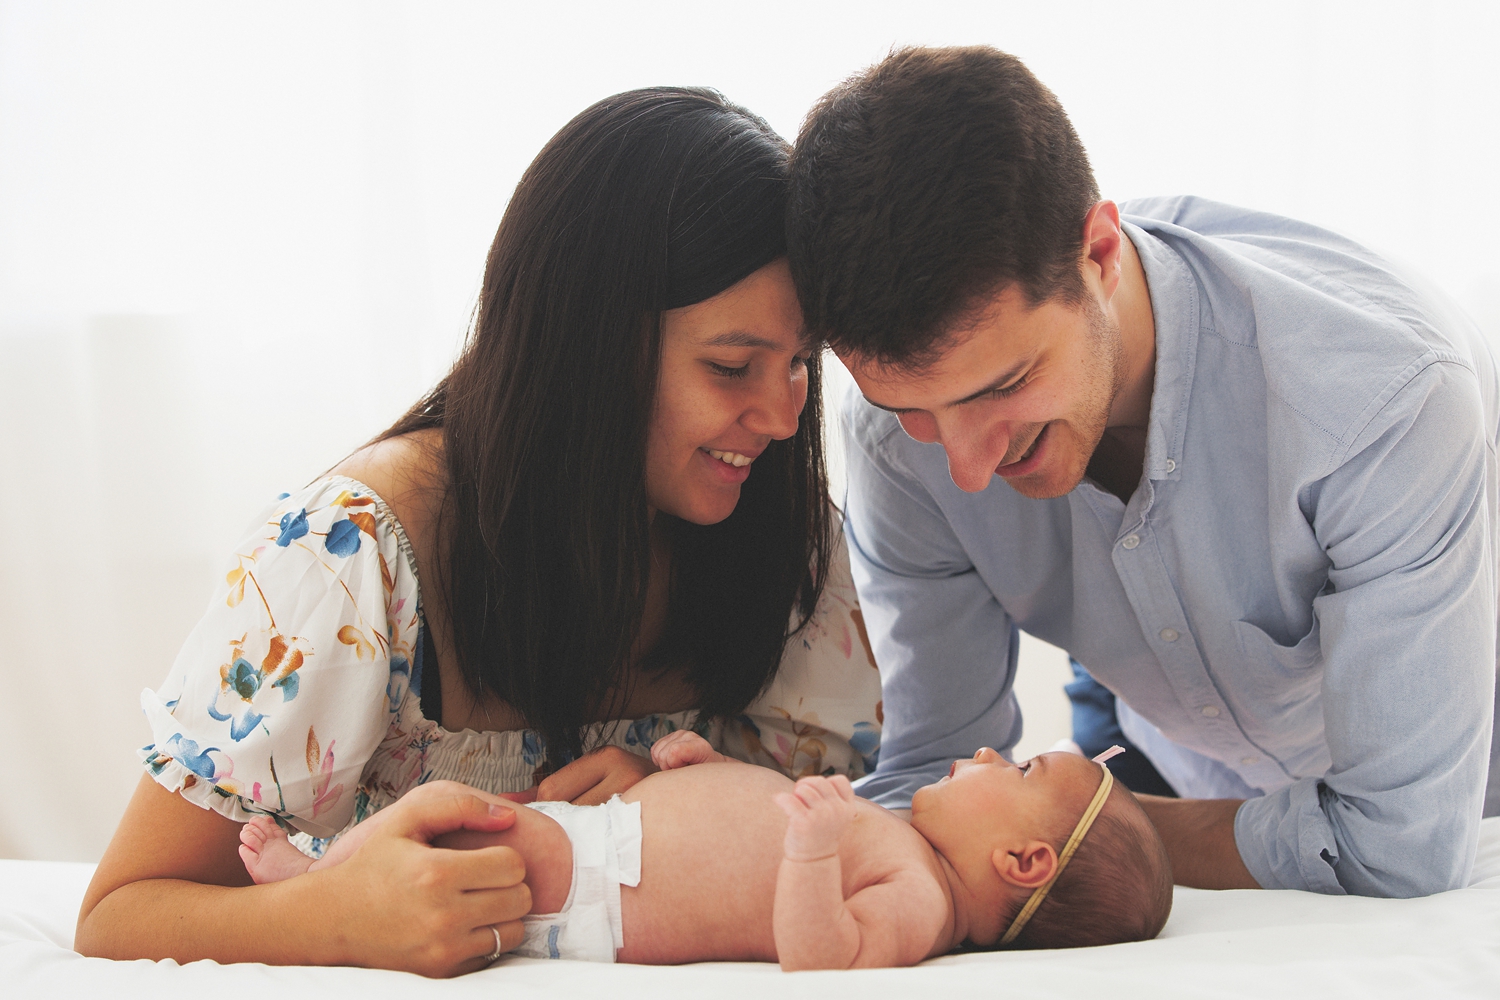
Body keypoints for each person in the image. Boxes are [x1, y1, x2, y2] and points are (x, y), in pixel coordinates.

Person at [74, 87, 883, 977]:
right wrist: (329, 917)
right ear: (592, 344)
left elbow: (868, 819)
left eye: (801, 363)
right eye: (731, 366)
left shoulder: (788, 544)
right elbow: (121, 912)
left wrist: (679, 811)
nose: (779, 416)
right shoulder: (353, 560)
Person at [786, 46, 1500, 898]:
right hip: (1161, 737)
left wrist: (1091, 829)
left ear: (1099, 251)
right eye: (915, 410)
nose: (967, 471)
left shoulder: (1380, 406)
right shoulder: (890, 449)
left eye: (1006, 386)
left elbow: (1402, 849)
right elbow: (929, 783)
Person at [236, 734, 1171, 967]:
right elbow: (747, 820)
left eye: (1013, 767)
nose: (981, 756)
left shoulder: (922, 902)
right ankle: (329, 869)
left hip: (600, 884)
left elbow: (824, 959)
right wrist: (710, 767)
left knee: (448, 812)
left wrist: (811, 849)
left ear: (1023, 863)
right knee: (451, 816)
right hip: (607, 844)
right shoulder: (899, 838)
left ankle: (317, 875)